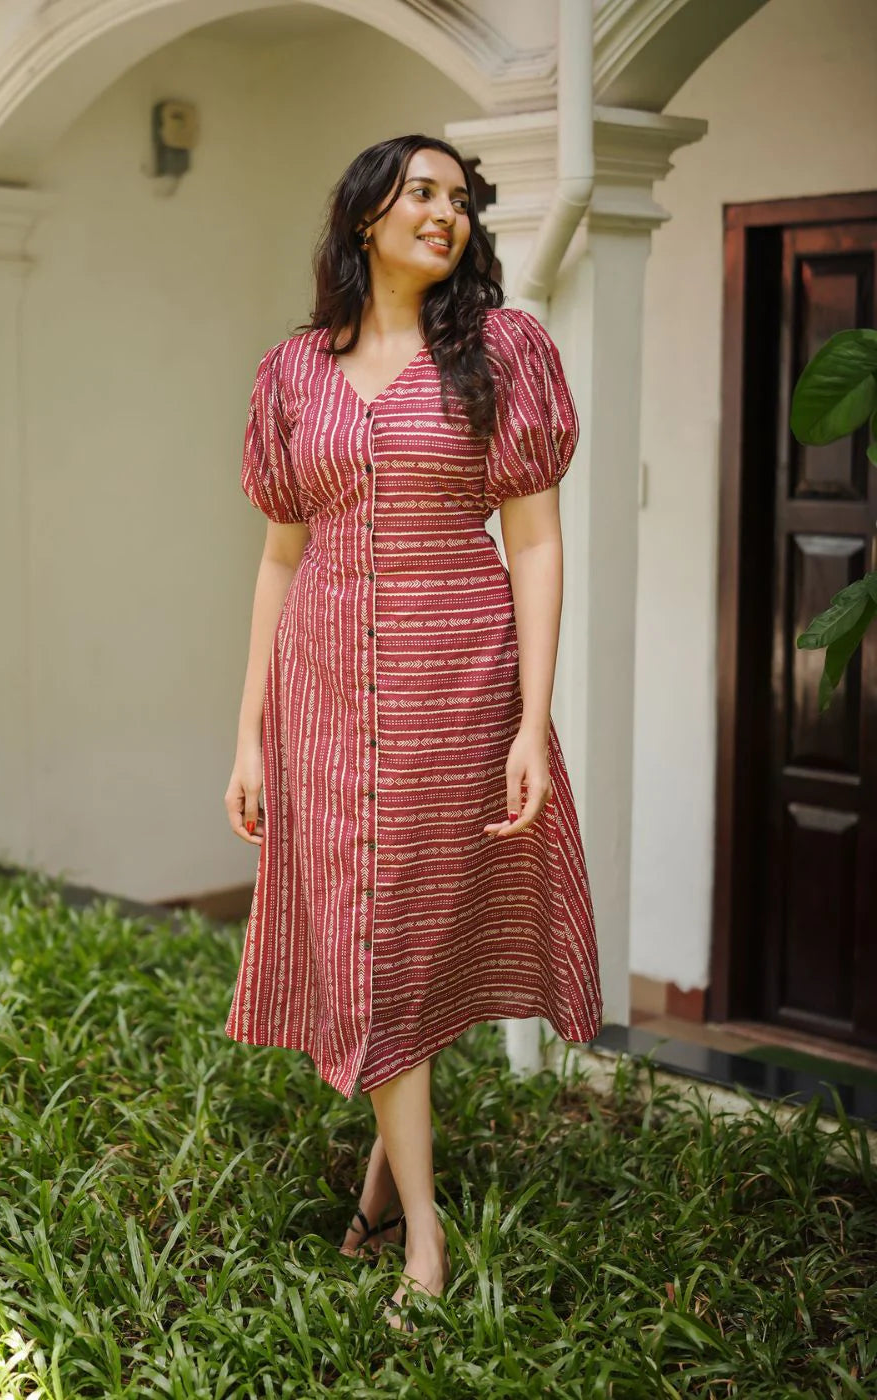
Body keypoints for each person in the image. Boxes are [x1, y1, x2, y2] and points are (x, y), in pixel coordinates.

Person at [223, 133, 603, 1336]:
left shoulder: (504, 351)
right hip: (324, 687)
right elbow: (280, 556)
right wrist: (247, 730)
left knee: (417, 925)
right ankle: (408, 1212)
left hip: (460, 676)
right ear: (364, 213)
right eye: (421, 193)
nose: (445, 213)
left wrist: (533, 719)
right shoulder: (294, 372)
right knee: (368, 930)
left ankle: (406, 1222)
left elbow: (534, 541)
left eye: (459, 199)